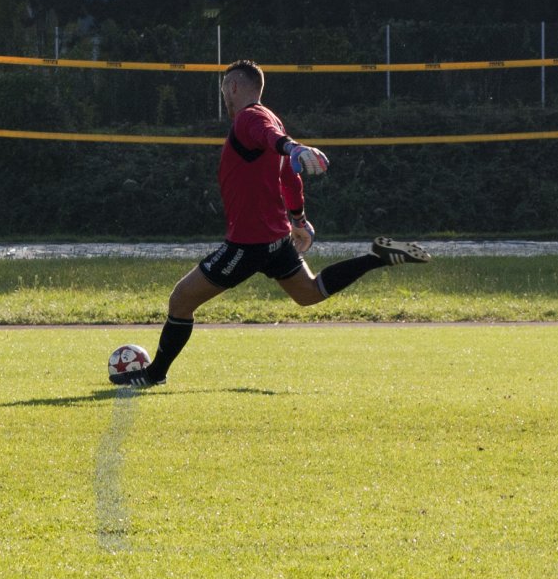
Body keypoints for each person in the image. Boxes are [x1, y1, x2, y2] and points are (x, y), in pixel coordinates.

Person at [110, 58, 430, 388]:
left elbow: (274, 139)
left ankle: (154, 374)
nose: (224, 97)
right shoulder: (270, 118)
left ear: (234, 87)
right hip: (276, 240)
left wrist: (293, 148)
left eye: (223, 90)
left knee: (181, 300)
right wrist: (299, 219)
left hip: (249, 243)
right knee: (310, 293)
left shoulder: (250, 118)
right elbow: (289, 176)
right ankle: (377, 256)